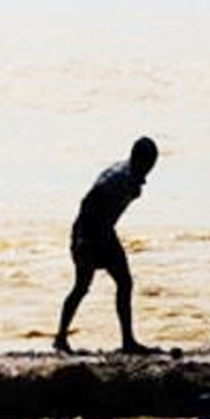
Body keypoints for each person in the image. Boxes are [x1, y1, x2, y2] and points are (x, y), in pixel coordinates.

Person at [53, 138, 158, 355]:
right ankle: (61, 338)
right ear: (137, 158)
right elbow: (88, 204)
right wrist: (83, 240)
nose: (149, 170)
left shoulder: (134, 176)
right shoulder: (118, 177)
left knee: (124, 282)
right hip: (89, 232)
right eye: (147, 163)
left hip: (105, 232)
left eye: (152, 165)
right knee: (82, 286)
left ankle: (128, 341)